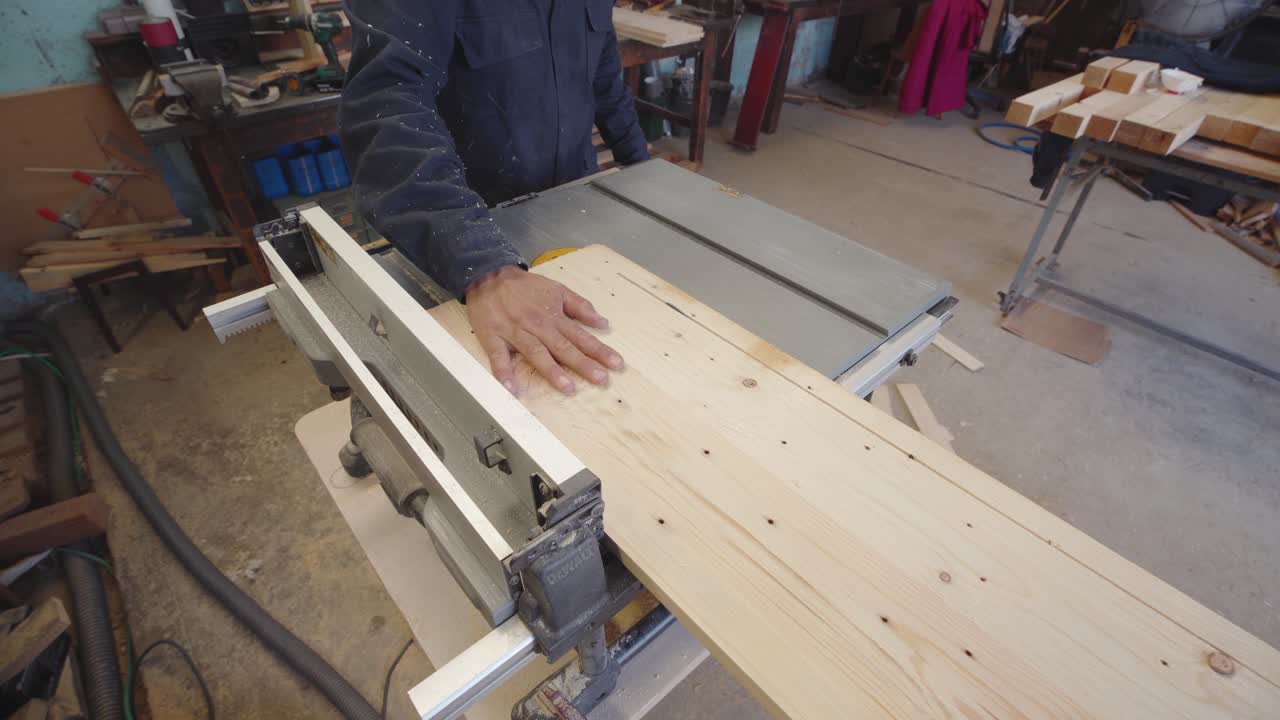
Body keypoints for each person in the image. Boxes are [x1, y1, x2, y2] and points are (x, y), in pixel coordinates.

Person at [339, 0, 649, 396]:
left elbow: (604, 77)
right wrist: (483, 264)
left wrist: (644, 176)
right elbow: (386, 102)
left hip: (575, 208)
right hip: (466, 231)